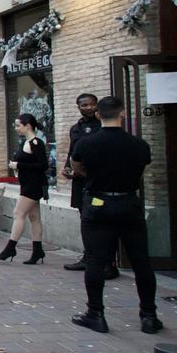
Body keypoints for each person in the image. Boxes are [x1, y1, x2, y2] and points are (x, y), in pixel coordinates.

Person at [69, 96, 161, 334]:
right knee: (141, 262)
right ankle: (149, 315)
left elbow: (77, 168)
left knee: (96, 261)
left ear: (98, 114)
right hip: (129, 202)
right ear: (122, 114)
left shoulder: (86, 143)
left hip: (98, 203)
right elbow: (140, 171)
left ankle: (95, 313)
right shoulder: (139, 145)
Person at [61, 94, 118, 279]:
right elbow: (72, 151)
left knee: (103, 223)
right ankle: (89, 257)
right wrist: (67, 168)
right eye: (84, 105)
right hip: (80, 181)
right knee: (85, 219)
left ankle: (109, 263)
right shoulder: (75, 128)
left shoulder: (101, 127)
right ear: (78, 106)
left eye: (92, 104)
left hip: (98, 180)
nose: (88, 107)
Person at [0, 114, 49, 264]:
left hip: (33, 184)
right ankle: (37, 251)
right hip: (27, 183)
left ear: (28, 125)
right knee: (34, 217)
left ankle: (10, 248)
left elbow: (43, 165)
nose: (16, 128)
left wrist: (18, 165)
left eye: (18, 125)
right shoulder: (26, 142)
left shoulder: (36, 143)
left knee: (18, 213)